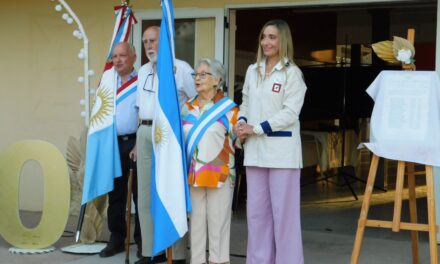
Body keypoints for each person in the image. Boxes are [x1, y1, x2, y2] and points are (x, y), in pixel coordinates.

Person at [235, 19, 307, 264]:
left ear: (283, 40)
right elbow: (244, 101)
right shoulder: (252, 70)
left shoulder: (292, 73)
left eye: (272, 37)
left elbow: (290, 113)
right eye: (264, 36)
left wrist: (256, 128)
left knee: (284, 217)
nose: (266, 42)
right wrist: (241, 122)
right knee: (256, 216)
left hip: (282, 155)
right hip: (255, 153)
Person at [136, 25, 196, 264]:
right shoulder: (142, 71)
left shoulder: (180, 68)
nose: (149, 46)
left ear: (164, 41)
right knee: (145, 195)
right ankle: (152, 251)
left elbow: (195, 103)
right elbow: (140, 108)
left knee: (171, 193)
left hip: (170, 135)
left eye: (154, 40)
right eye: (146, 41)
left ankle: (178, 254)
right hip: (145, 132)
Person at [181, 58, 238, 264]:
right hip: (193, 174)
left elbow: (239, 140)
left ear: (217, 80)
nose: (198, 78)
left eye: (203, 74)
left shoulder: (230, 110)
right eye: (196, 74)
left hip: (220, 174)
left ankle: (218, 261)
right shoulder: (187, 107)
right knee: (195, 223)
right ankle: (196, 261)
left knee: (218, 223)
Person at [99, 42, 141, 258]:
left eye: (122, 55)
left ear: (133, 57)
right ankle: (116, 239)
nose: (117, 60)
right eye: (114, 56)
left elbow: (146, 113)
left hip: (134, 142)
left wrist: (138, 143)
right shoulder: (108, 81)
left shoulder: (142, 80)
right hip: (112, 144)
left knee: (138, 196)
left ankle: (143, 243)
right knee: (115, 195)